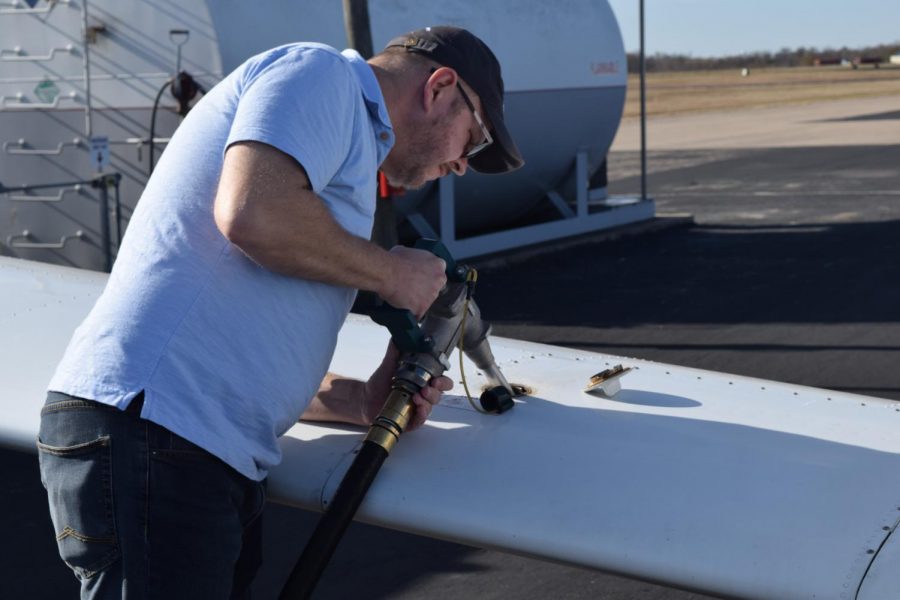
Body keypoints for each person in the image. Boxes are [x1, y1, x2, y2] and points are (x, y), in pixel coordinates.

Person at [37, 25, 523, 599]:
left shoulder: (341, 145)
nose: (463, 166)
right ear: (439, 87)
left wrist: (360, 402)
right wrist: (393, 274)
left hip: (185, 444)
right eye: (471, 143)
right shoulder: (324, 77)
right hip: (156, 435)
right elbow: (253, 213)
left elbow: (237, 341)